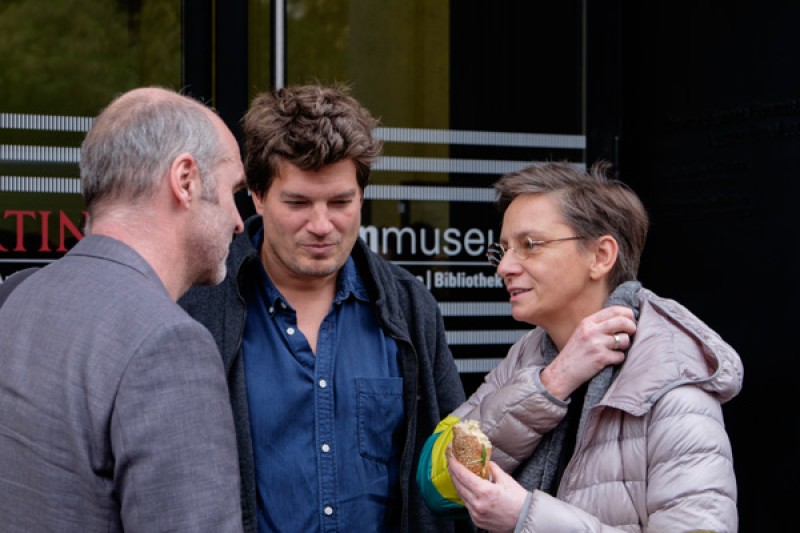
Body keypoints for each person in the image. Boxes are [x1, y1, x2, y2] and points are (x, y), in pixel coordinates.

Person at [179, 84, 468, 533]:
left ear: (361, 197)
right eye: (297, 203)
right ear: (256, 195)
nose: (320, 225)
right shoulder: (198, 306)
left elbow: (451, 474)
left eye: (340, 202)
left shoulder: (410, 309)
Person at [416, 161, 743, 532]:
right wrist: (552, 382)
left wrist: (527, 518)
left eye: (529, 245)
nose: (504, 266)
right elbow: (435, 483)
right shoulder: (532, 354)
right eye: (504, 249)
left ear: (601, 256)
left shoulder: (669, 373)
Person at [0, 87, 247, 532]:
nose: (238, 220)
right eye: (233, 191)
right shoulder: (169, 344)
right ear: (185, 180)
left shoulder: (19, 297)